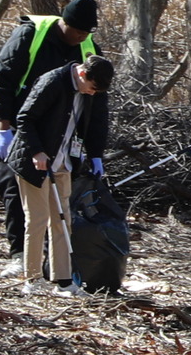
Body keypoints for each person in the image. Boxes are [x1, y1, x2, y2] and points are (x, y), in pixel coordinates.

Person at [0, 0, 100, 262]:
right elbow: (3, 77)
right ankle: (19, 255)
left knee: (57, 196)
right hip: (19, 122)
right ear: (64, 22)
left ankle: (50, 257)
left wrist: (92, 149)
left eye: (86, 33)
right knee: (15, 189)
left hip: (58, 131)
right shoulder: (30, 34)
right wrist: (3, 125)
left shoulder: (88, 47)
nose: (80, 37)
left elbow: (95, 100)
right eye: (77, 31)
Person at [12, 52, 115, 294]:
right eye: (91, 88)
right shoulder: (53, 82)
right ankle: (33, 279)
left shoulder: (92, 90)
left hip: (63, 162)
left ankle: (64, 280)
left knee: (62, 220)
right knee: (36, 220)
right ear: (81, 74)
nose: (92, 93)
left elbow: (96, 123)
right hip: (33, 162)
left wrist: (95, 155)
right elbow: (25, 118)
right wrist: (37, 152)